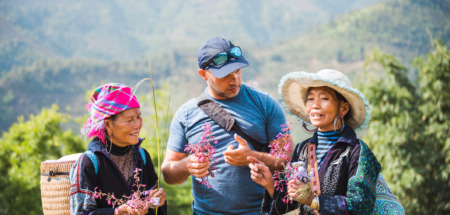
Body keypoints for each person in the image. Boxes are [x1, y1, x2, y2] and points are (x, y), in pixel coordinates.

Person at [161, 37, 293, 214]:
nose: (234, 80)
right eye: (224, 75)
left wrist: (252, 156)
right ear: (203, 74)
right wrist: (186, 165)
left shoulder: (265, 105)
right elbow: (168, 174)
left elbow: (290, 162)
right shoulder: (186, 114)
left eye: (237, 71)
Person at [249, 69, 387, 214]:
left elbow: (361, 204)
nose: (315, 105)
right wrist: (270, 183)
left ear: (343, 108)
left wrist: (314, 201)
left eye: (324, 99)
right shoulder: (302, 149)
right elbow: (290, 202)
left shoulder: (356, 151)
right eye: (310, 99)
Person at [70, 83, 167, 215]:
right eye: (130, 120)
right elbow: (81, 213)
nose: (138, 125)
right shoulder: (90, 162)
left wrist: (157, 202)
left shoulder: (142, 156)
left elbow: (157, 210)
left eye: (138, 117)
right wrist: (117, 212)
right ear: (108, 124)